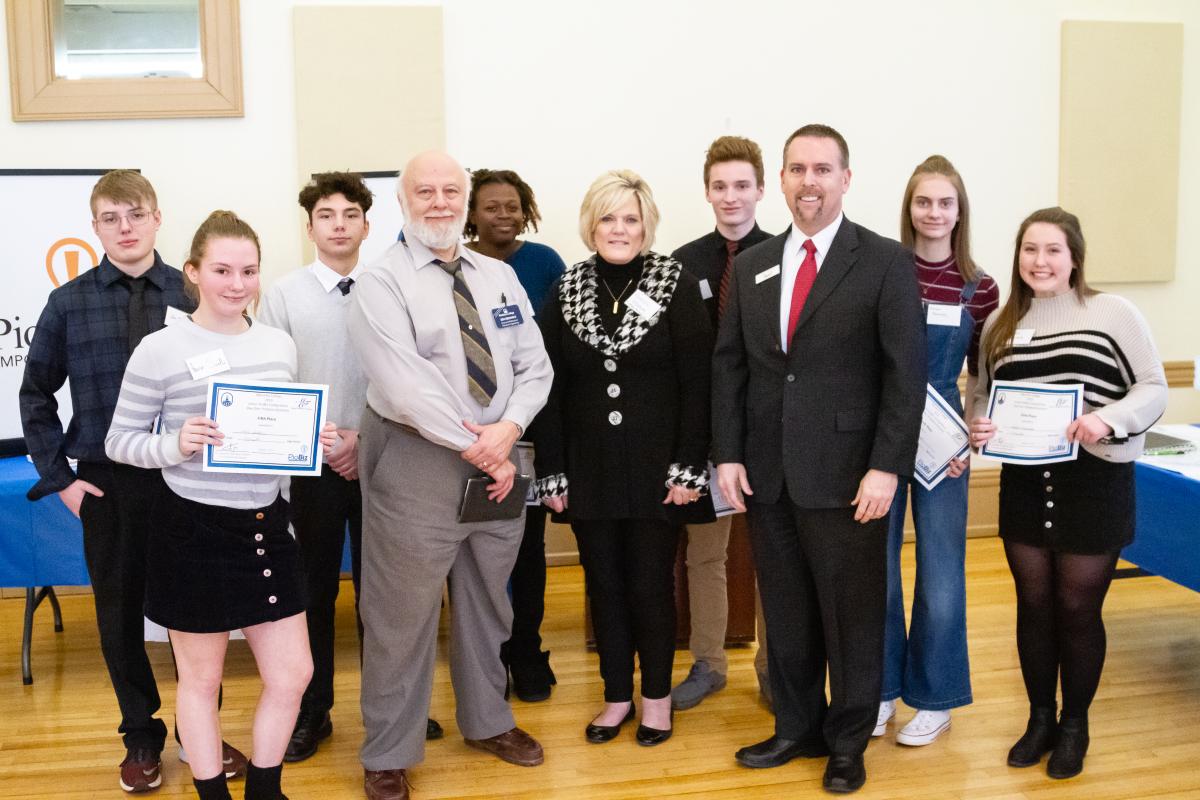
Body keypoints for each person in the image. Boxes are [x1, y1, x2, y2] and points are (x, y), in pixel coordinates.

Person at [712, 124, 926, 794]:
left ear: (845, 179)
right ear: (782, 180)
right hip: (768, 474)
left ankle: (847, 740)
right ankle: (797, 728)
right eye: (797, 169)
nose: (809, 182)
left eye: (823, 169)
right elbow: (731, 368)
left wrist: (887, 466)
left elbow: (904, 375)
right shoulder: (753, 266)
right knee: (789, 611)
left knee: (852, 616)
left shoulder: (886, 262)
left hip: (849, 477)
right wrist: (727, 455)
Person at [19, 170, 247, 793]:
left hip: (188, 481)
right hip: (107, 485)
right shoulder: (67, 302)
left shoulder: (193, 291)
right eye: (111, 218)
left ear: (157, 218)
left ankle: (200, 730)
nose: (125, 228)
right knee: (119, 613)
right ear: (95, 226)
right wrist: (59, 478)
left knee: (198, 613)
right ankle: (141, 734)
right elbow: (35, 394)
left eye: (135, 215)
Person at [105, 210, 338, 800]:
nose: (236, 284)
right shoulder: (159, 349)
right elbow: (118, 443)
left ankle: (265, 790)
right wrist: (174, 442)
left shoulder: (278, 345)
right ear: (193, 273)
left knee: (293, 673)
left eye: (249, 271)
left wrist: (312, 440)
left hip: (266, 526)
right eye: (222, 270)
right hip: (191, 530)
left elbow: (277, 438)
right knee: (201, 681)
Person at [348, 151, 553, 800]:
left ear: (465, 200)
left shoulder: (497, 276)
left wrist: (509, 431)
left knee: (490, 598)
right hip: (420, 458)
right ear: (403, 202)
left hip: (503, 455)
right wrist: (483, 445)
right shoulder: (380, 284)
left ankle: (488, 721)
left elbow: (534, 366)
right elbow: (407, 389)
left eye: (450, 191)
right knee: (400, 616)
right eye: (425, 191)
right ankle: (387, 750)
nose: (439, 202)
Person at [969, 207, 1167, 780]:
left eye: (1053, 250)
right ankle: (1039, 720)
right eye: (1030, 249)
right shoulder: (1001, 324)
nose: (1041, 261)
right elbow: (982, 393)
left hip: (1094, 482)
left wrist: (1108, 419)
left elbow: (1153, 387)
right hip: (1026, 484)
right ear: (1018, 256)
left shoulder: (1112, 312)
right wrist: (980, 424)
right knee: (1033, 609)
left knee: (1078, 610)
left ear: (1074, 257)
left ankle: (1075, 725)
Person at [533, 169, 714, 747]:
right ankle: (617, 697)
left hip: (659, 473)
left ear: (646, 225)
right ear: (592, 224)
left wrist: (689, 468)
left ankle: (656, 700)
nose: (619, 228)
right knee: (603, 586)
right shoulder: (567, 288)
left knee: (650, 585)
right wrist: (553, 469)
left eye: (630, 218)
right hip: (589, 472)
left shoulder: (675, 282)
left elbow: (698, 385)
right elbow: (549, 386)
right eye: (608, 217)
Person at [876, 156, 1000, 746]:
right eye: (923, 202)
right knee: (875, 569)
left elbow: (986, 377)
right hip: (882, 438)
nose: (933, 213)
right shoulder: (881, 271)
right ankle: (877, 690)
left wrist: (975, 429)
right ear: (910, 208)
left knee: (942, 573)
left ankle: (934, 698)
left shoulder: (982, 287)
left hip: (945, 448)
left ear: (959, 210)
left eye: (944, 203)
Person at [669, 135, 773, 712]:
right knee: (705, 556)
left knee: (773, 559)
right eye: (719, 186)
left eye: (741, 185)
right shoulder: (682, 263)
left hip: (769, 434)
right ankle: (708, 664)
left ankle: (774, 669)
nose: (730, 197)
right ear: (706, 191)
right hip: (706, 437)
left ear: (760, 189)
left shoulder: (785, 256)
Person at [464, 168, 567, 702]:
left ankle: (525, 651)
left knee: (527, 549)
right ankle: (486, 656)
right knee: (476, 552)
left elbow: (557, 344)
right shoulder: (452, 264)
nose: (503, 215)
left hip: (530, 428)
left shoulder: (545, 262)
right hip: (465, 431)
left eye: (512, 206)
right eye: (491, 206)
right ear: (472, 213)